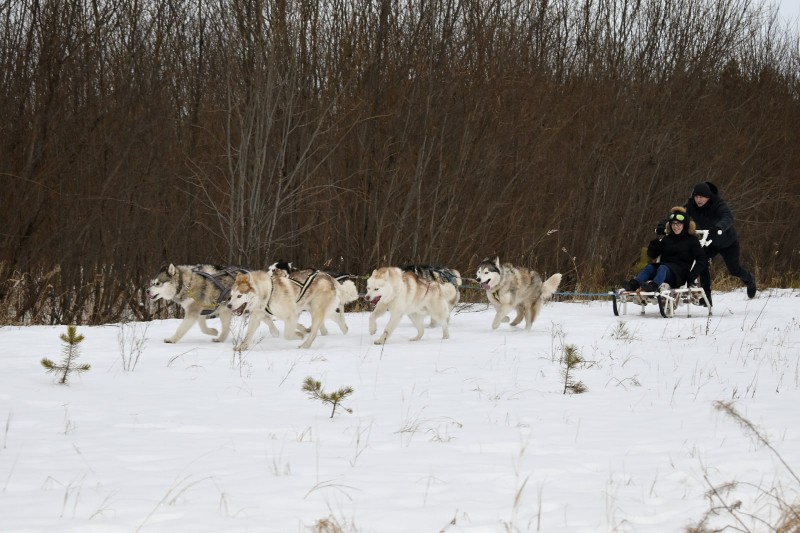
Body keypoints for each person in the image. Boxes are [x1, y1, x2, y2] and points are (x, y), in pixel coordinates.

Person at [682, 181, 756, 305]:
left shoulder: (718, 204)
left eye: (701, 197)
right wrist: (665, 225)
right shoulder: (690, 205)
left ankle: (749, 279)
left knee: (734, 270)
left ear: (708, 197)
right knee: (702, 263)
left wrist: (719, 227)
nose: (698, 200)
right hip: (709, 242)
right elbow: (678, 215)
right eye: (696, 197)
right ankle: (706, 297)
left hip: (727, 242)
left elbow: (727, 217)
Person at [623, 207, 707, 296]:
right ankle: (633, 285)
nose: (675, 227)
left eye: (678, 224)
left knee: (663, 268)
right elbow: (652, 254)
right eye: (673, 224)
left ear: (685, 225)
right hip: (664, 269)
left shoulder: (692, 240)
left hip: (679, 274)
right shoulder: (668, 239)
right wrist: (655, 242)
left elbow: (702, 260)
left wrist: (691, 277)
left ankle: (653, 286)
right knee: (650, 267)